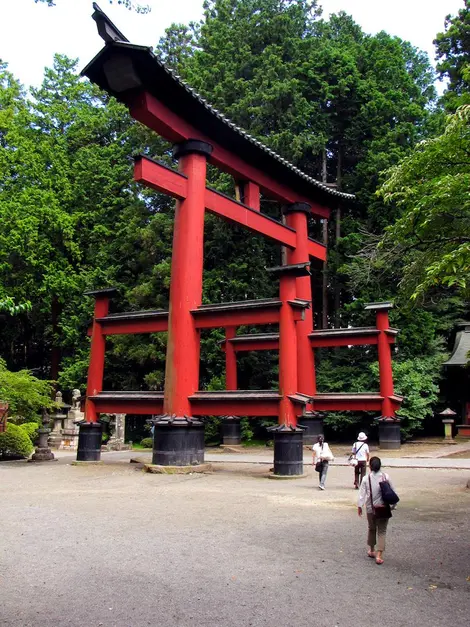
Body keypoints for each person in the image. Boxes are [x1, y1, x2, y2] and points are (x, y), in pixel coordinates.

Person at [357, 456, 395, 565]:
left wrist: (360, 506)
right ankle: (379, 555)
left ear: (370, 466)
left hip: (371, 508)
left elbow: (361, 495)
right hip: (383, 507)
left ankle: (372, 550)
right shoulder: (385, 477)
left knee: (372, 528)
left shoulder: (366, 478)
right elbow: (392, 492)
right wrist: (393, 506)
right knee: (382, 531)